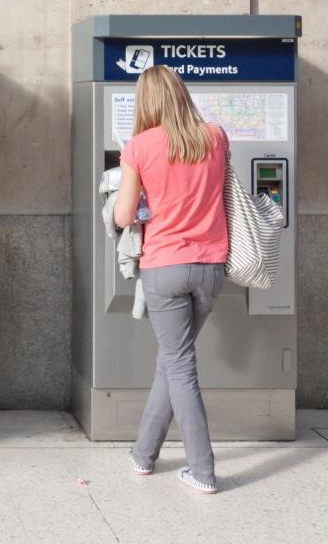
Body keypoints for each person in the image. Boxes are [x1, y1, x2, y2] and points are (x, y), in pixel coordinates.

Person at [114, 64, 229, 495]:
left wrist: (143, 199)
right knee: (173, 359)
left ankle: (203, 470)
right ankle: (143, 455)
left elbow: (124, 215)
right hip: (211, 266)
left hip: (164, 267)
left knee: (179, 365)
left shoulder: (140, 147)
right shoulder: (215, 137)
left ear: (146, 101)